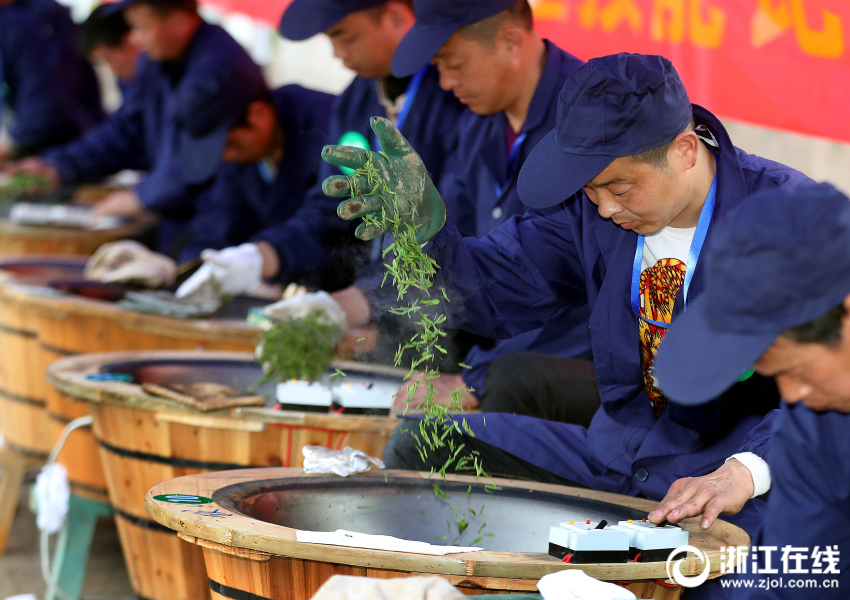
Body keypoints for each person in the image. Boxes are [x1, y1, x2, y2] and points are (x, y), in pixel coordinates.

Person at [312, 53, 815, 597]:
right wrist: (428, 232)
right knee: (424, 446)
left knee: (765, 576)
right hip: (620, 459)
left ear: (685, 151)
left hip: (732, 476)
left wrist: (747, 469)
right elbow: (492, 289)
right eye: (591, 191)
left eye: (620, 189)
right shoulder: (593, 212)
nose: (602, 209)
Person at [320, 0, 599, 421]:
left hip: (583, 362)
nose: (446, 83)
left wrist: (475, 379)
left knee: (503, 386)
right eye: (438, 67)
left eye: (454, 64)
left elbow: (586, 291)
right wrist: (360, 299)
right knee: (394, 356)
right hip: (501, 341)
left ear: (509, 42)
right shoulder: (479, 123)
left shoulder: (591, 122)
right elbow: (446, 244)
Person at [176, 0, 466, 298]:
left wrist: (364, 303)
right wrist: (261, 256)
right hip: (374, 300)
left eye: (345, 37)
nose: (337, 54)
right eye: (330, 39)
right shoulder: (356, 101)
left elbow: (461, 223)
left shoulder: (456, 93)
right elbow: (331, 209)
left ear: (395, 17)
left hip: (440, 304)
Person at [654, 183, 850, 598]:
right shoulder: (812, 423)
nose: (792, 396)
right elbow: (796, 580)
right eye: (776, 375)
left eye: (796, 370)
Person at [10, 0, 265, 255]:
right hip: (178, 218)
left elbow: (200, 162)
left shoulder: (217, 70)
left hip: (220, 227)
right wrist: (60, 165)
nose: (135, 39)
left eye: (142, 27)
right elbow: (128, 130)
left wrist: (141, 196)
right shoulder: (160, 60)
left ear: (178, 22)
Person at [87, 84, 335, 292]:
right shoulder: (238, 155)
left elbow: (328, 224)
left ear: (258, 114)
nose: (227, 157)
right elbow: (219, 220)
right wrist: (187, 268)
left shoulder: (329, 126)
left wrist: (269, 267)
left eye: (232, 145)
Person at [0, 0, 104, 159]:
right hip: (63, 139)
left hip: (66, 142)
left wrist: (14, 142)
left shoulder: (22, 20)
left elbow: (45, 97)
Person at [78, 4, 141, 95]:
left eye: (110, 59)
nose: (112, 70)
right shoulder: (126, 82)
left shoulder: (159, 76)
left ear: (131, 38)